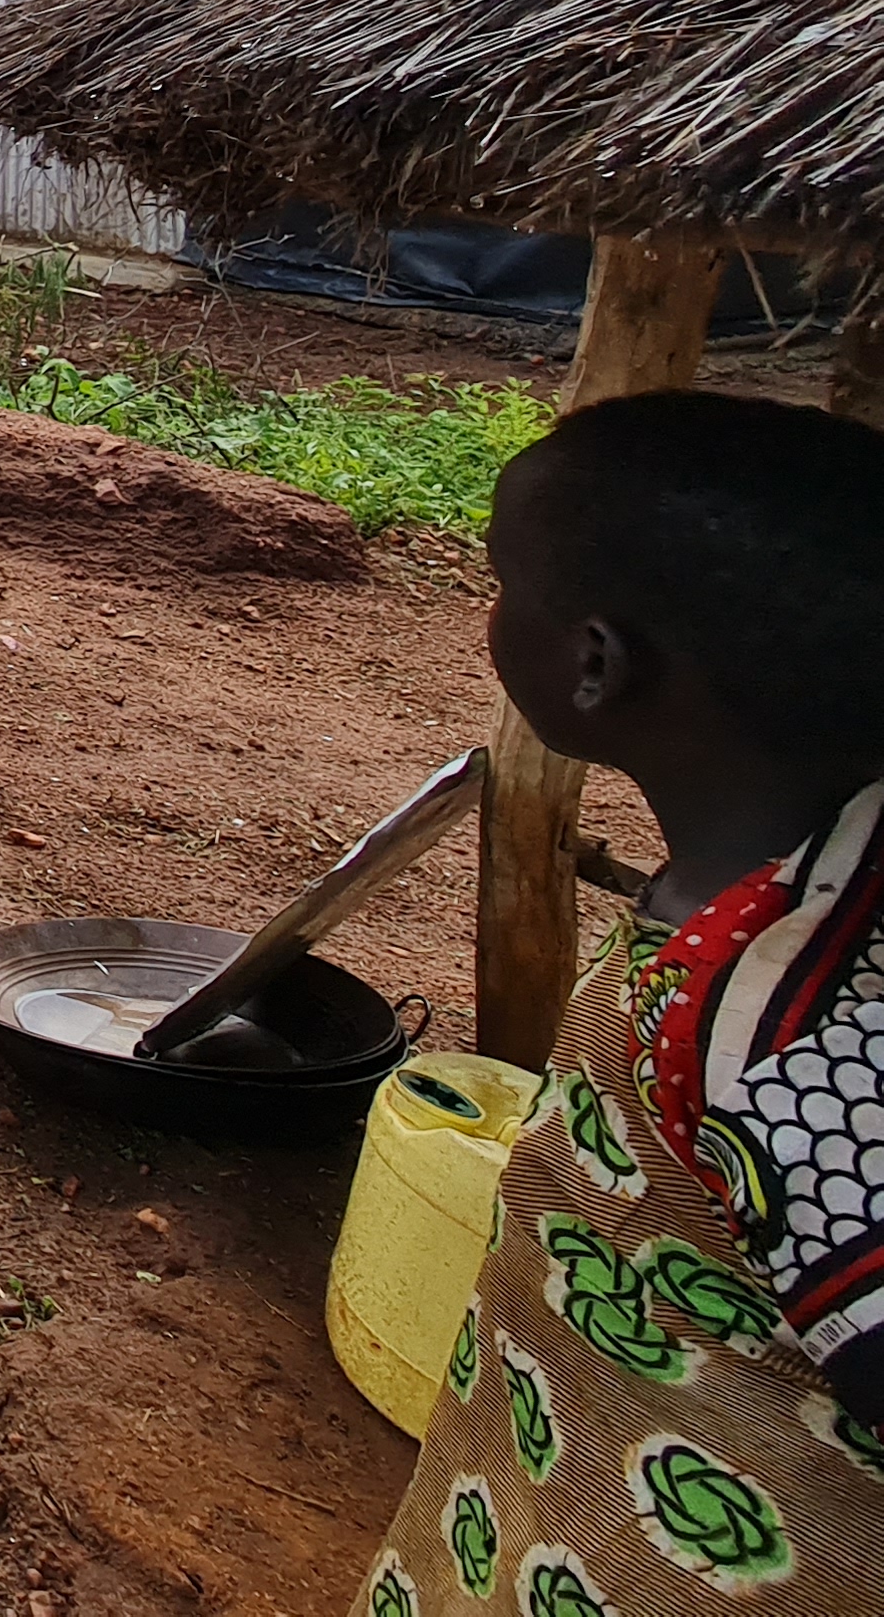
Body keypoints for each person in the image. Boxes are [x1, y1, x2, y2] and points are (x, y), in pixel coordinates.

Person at [361, 390, 884, 1617]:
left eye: (505, 589)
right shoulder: (765, 882)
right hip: (555, 1482)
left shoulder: (805, 1034)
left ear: (596, 664)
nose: (490, 619)